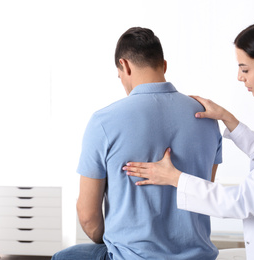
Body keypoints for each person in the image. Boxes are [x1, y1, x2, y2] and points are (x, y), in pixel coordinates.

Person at [123, 18, 254, 260]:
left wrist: (175, 178)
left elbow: (244, 200)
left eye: (245, 69)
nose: (240, 77)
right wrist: (229, 119)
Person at [52, 27, 222, 260]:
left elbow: (88, 217)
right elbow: (203, 192)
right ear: (163, 65)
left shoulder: (104, 121)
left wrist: (118, 244)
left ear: (125, 65)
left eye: (119, 73)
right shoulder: (207, 118)